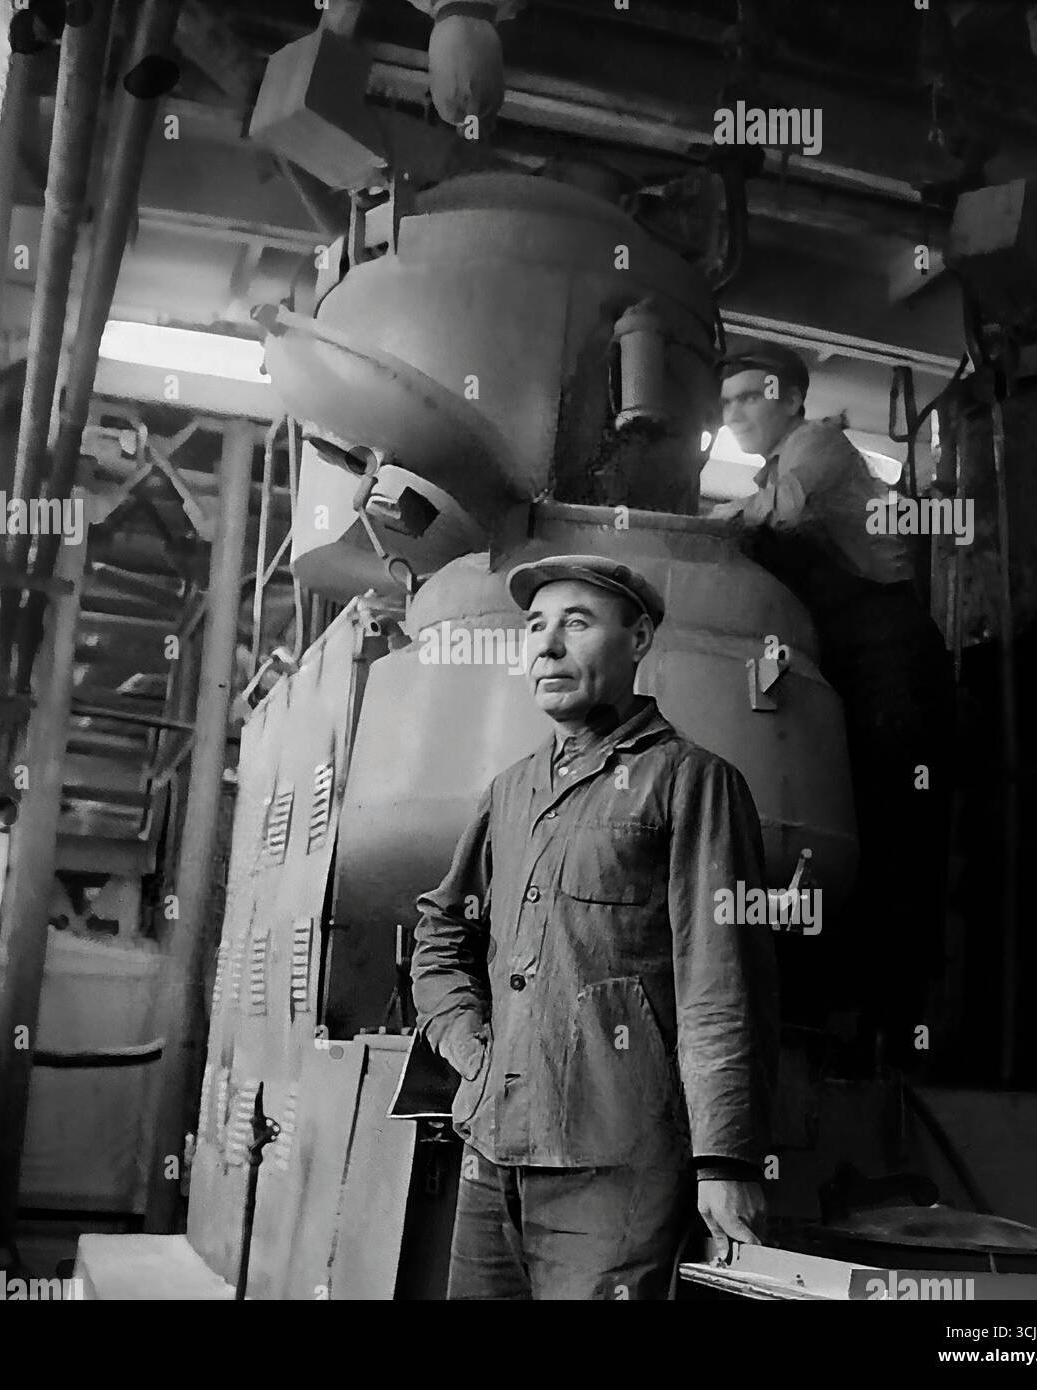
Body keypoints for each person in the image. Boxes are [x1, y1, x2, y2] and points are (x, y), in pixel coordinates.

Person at [409, 555, 779, 1300]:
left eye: (576, 624)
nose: (546, 646)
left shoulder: (691, 781)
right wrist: (467, 1044)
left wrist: (725, 1161)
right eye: (535, 627)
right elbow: (440, 933)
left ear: (639, 638)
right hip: (492, 1148)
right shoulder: (510, 790)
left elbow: (721, 979)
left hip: (614, 1166)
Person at [711, 339, 954, 1064]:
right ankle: (841, 1020)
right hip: (845, 670)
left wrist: (682, 531)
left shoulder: (815, 448)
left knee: (895, 842)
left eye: (747, 397)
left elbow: (776, 515)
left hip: (892, 663)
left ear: (786, 394)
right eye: (723, 405)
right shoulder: (775, 464)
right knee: (852, 833)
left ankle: (895, 1039)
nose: (734, 415)